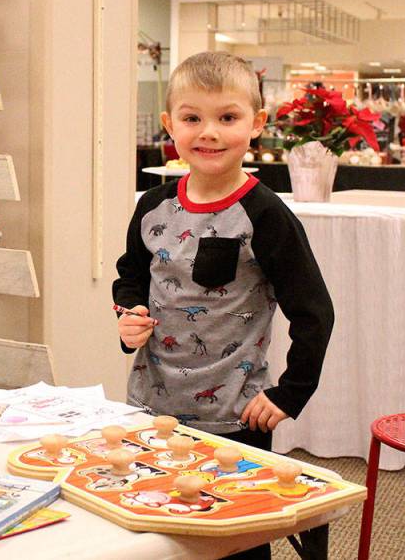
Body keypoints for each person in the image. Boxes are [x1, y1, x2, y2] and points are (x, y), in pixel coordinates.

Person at [112, 52, 334, 560]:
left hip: (235, 419)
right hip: (150, 408)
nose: (208, 132)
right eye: (192, 118)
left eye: (227, 117)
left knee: (234, 540)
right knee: (158, 532)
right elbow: (131, 276)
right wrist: (128, 315)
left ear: (256, 124)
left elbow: (314, 311)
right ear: (170, 124)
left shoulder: (267, 215)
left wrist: (290, 393)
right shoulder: (152, 205)